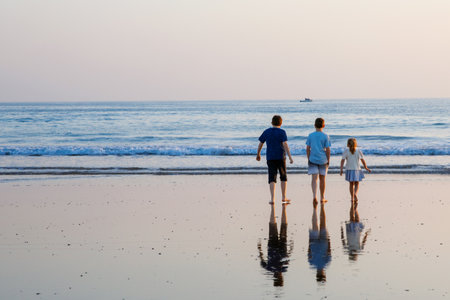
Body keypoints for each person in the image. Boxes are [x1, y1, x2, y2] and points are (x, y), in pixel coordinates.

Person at [256, 115, 294, 204]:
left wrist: (258, 154)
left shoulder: (267, 131)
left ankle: (272, 199)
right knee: (283, 176)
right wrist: (290, 157)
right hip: (281, 157)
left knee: (272, 177)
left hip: (270, 157)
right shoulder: (282, 132)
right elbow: (285, 145)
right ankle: (284, 197)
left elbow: (260, 143)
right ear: (281, 123)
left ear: (272, 123)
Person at [306, 118, 331, 204]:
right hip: (323, 159)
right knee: (322, 179)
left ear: (314, 125)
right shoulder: (325, 136)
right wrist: (328, 159)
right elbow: (328, 149)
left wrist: (308, 158)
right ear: (323, 126)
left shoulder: (310, 135)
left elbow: (308, 148)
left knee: (314, 179)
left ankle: (314, 196)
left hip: (313, 158)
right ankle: (322, 197)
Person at [339, 138, 371, 202]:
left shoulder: (346, 151)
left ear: (348, 144)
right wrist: (366, 167)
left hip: (349, 169)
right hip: (357, 169)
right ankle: (355, 194)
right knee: (357, 183)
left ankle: (352, 197)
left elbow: (342, 160)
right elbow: (362, 160)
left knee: (351, 184)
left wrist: (341, 169)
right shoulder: (358, 150)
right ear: (355, 144)